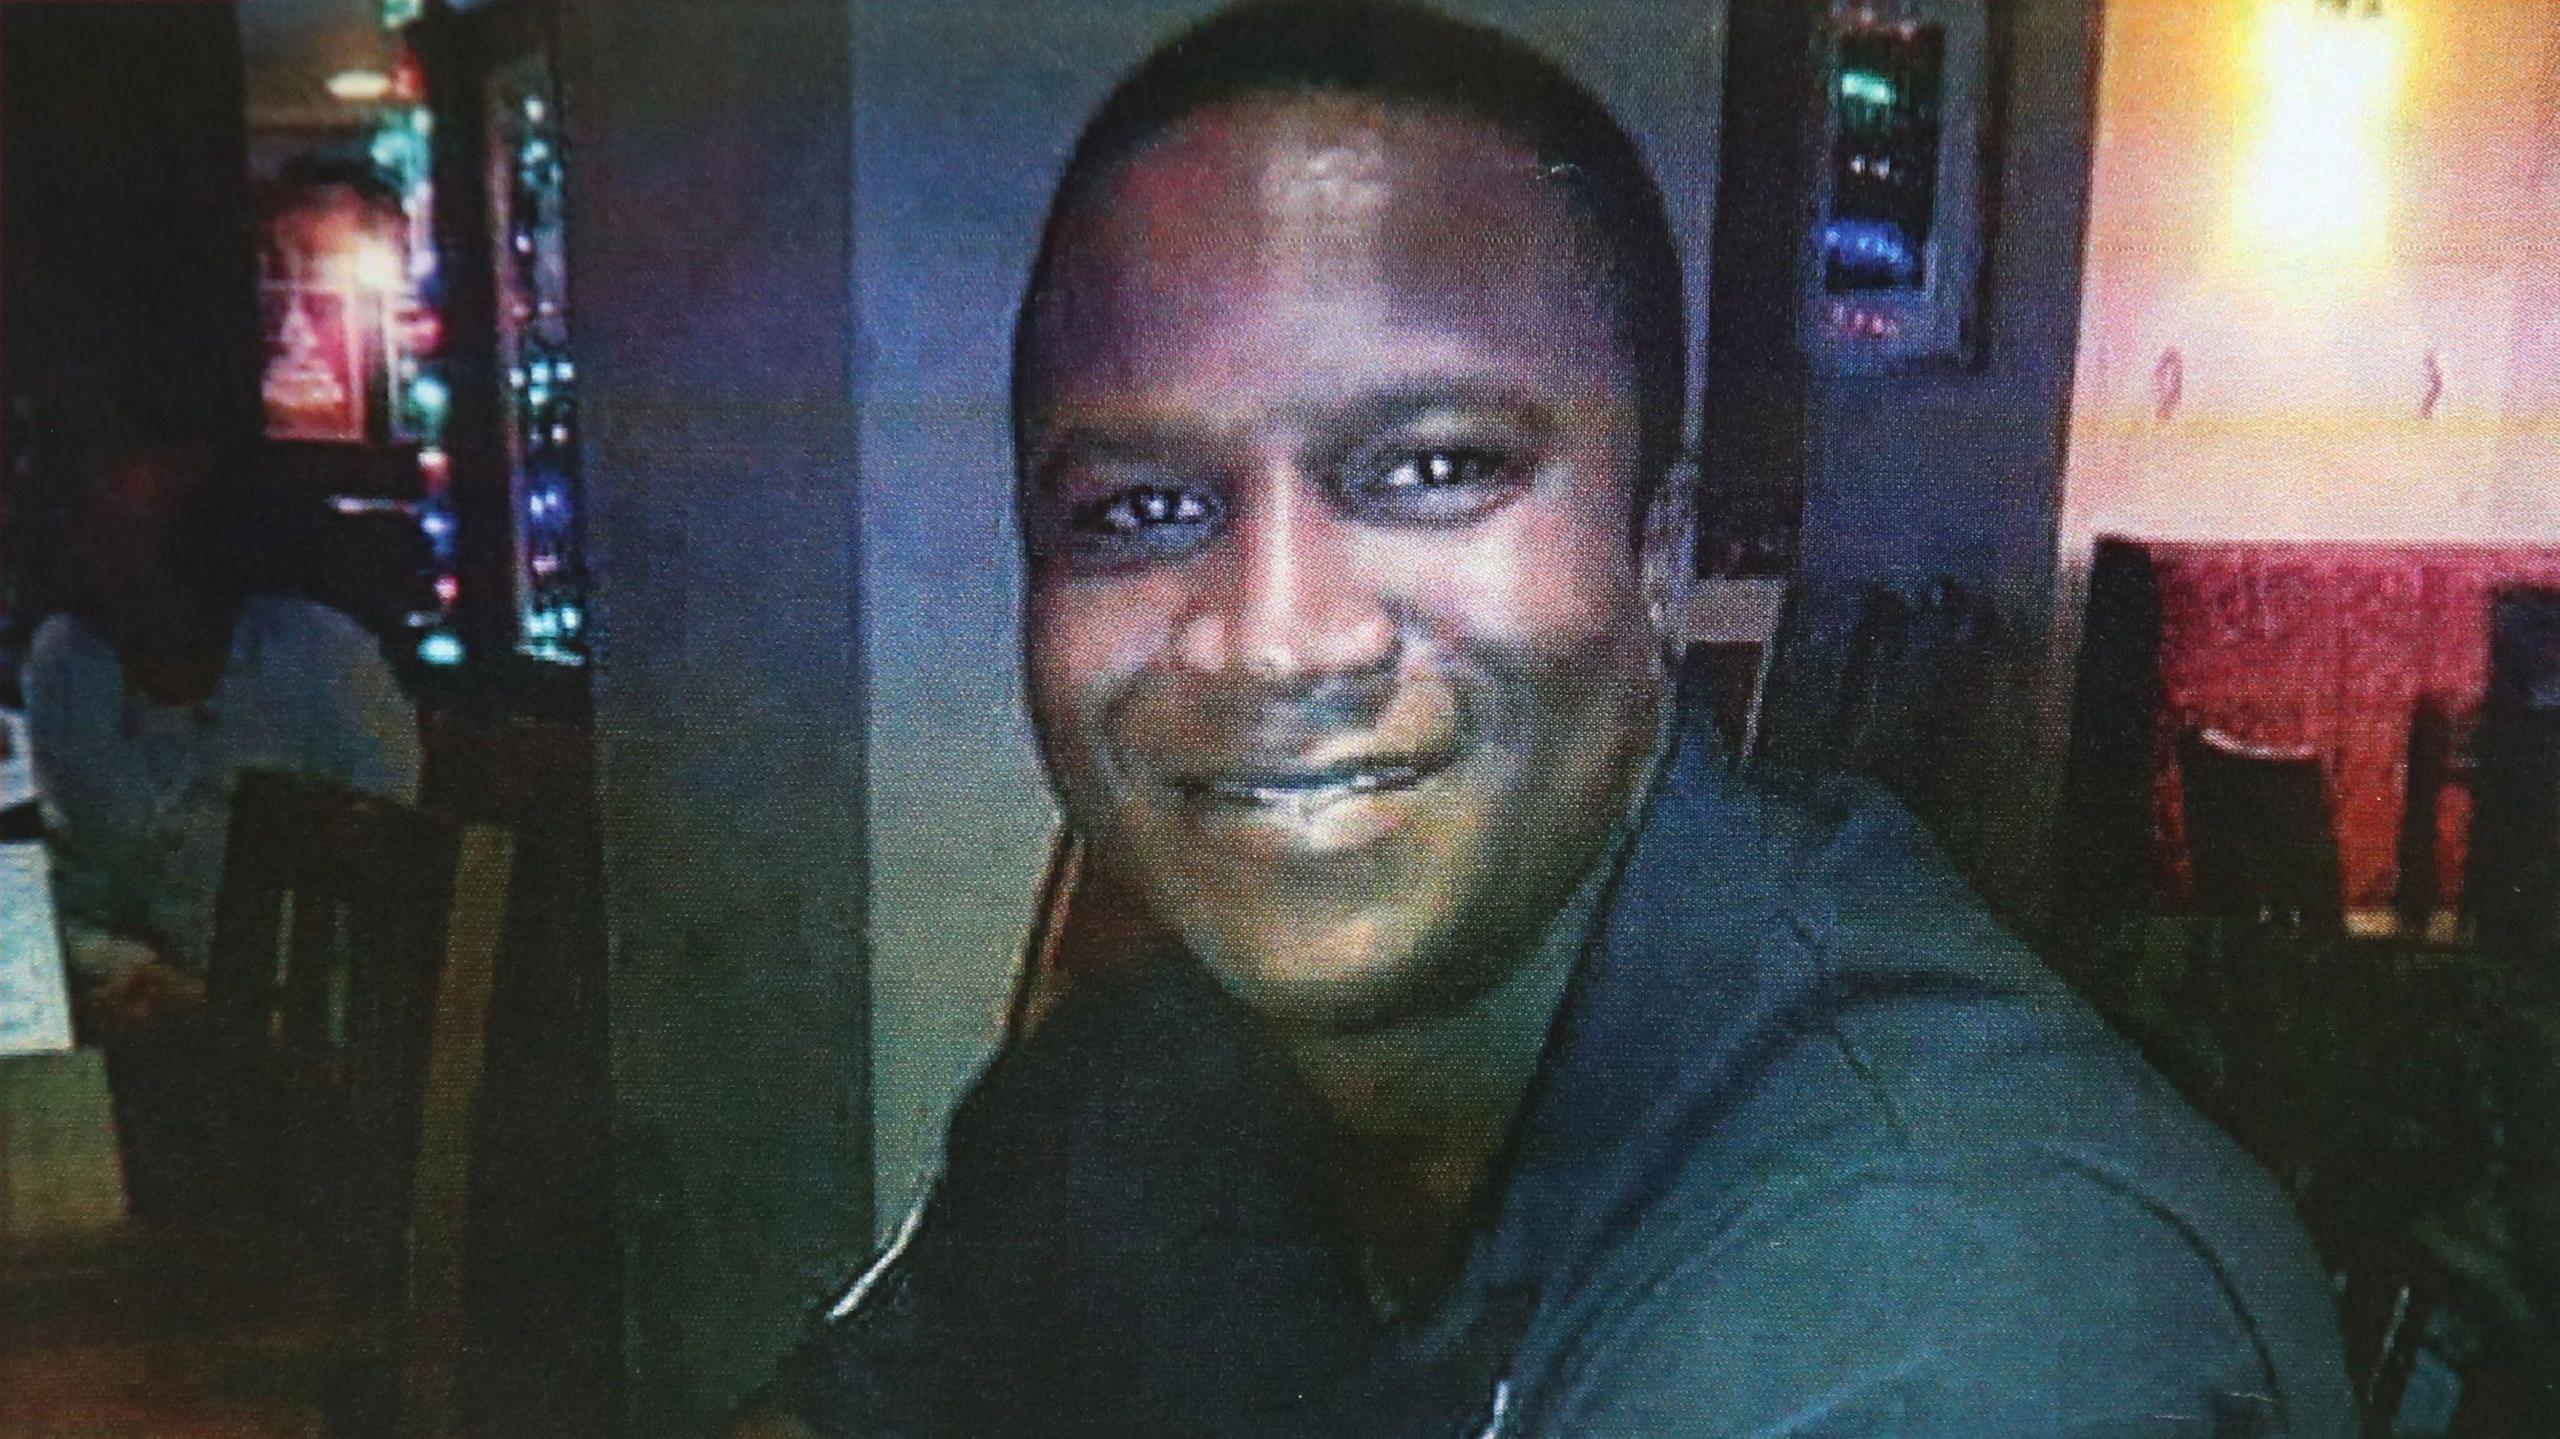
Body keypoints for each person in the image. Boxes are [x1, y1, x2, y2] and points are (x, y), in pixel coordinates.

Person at [740, 3, 2355, 1433]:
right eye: (1141, 508)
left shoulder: (1942, 1313)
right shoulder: (1152, 1075)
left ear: (1658, 553)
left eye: (1435, 466)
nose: (1275, 636)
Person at [20, 387, 420, 1213]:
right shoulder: (66, 665)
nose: (88, 508)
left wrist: (228, 1005)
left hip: (332, 1091)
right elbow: (70, 886)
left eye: (114, 473)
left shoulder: (318, 660)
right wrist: (127, 971)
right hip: (146, 1071)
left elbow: (395, 907)